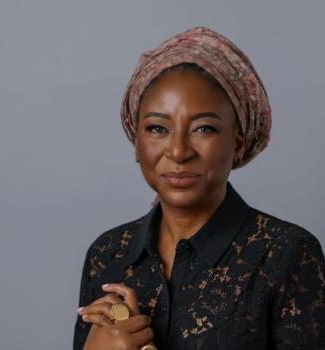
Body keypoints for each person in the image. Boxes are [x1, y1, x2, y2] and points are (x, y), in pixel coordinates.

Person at [73, 26, 325, 350]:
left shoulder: (287, 254)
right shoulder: (107, 254)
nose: (178, 151)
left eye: (203, 128)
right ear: (136, 142)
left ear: (238, 142)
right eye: (157, 128)